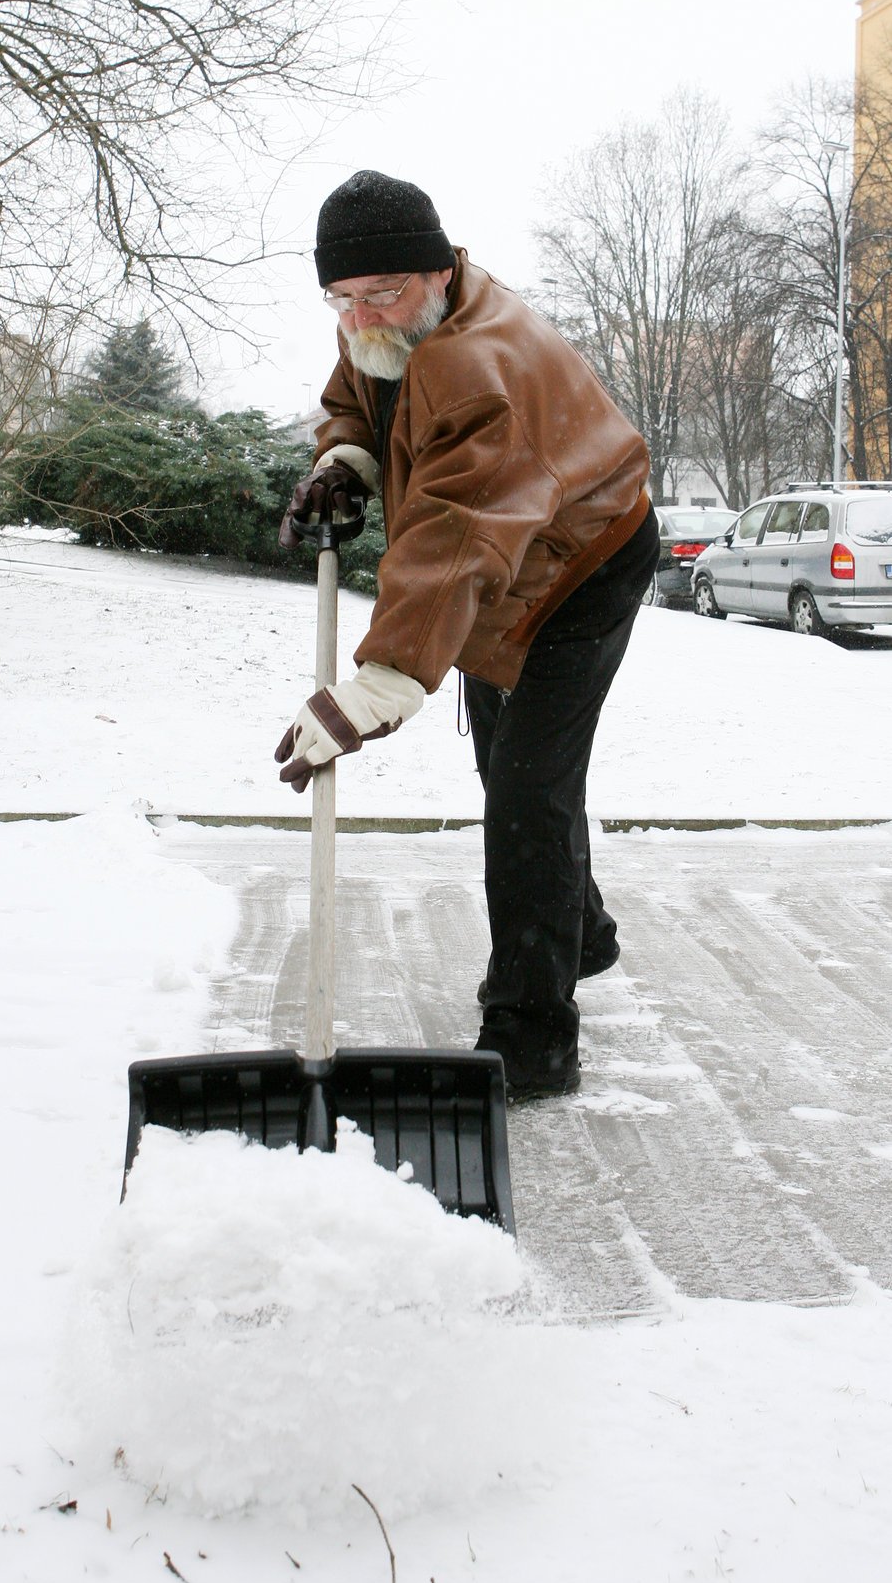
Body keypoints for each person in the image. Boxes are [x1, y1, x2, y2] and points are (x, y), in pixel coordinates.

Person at [274, 170, 657, 1100]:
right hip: (505, 558)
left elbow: (454, 535)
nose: (362, 314)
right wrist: (345, 460)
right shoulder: (387, 313)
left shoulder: (482, 367)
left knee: (529, 788)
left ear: (439, 272)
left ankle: (531, 1036)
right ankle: (582, 934)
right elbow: (360, 392)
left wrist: (381, 684)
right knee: (511, 773)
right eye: (344, 297)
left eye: (383, 294)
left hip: (580, 563)